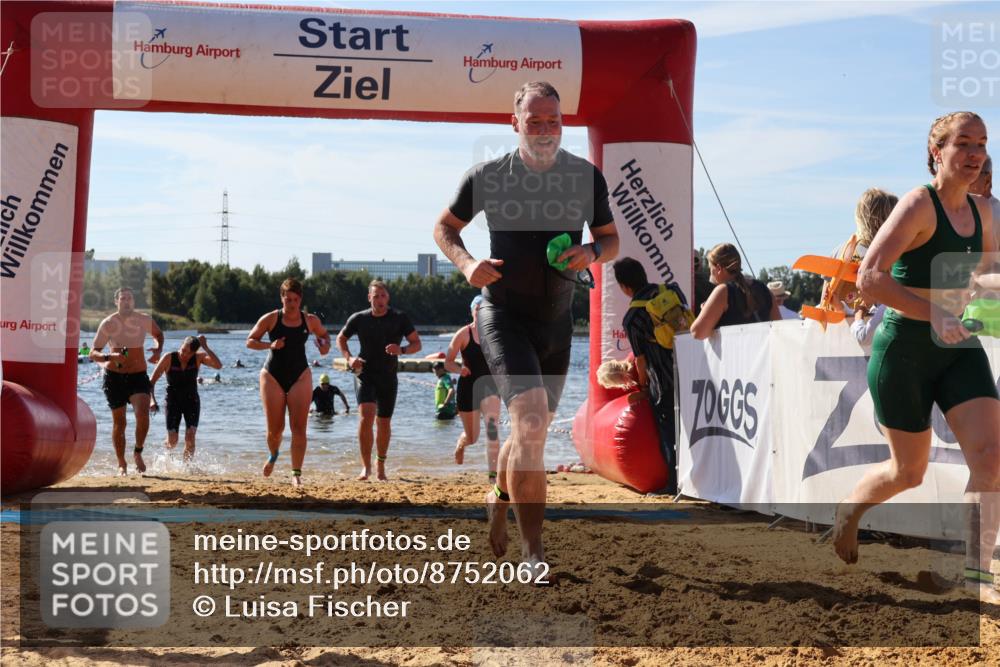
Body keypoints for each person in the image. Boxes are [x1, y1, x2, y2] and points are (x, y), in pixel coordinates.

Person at [433, 80, 619, 564]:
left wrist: (592, 252)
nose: (543, 130)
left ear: (563, 123)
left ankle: (498, 498)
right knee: (532, 417)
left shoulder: (585, 178)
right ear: (514, 124)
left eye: (552, 121)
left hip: (556, 323)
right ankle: (533, 552)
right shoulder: (489, 176)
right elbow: (445, 228)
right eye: (533, 121)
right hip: (502, 315)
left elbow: (610, 240)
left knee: (528, 433)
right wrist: (467, 264)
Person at [831, 112, 999, 603]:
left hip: (958, 348)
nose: (974, 154)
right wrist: (933, 314)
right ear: (937, 152)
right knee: (908, 472)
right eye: (963, 143)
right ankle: (849, 510)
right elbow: (870, 278)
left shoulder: (985, 212)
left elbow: (983, 276)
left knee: (990, 458)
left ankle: (978, 575)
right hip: (904, 348)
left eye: (982, 144)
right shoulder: (917, 206)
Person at [612, 257, 689, 495]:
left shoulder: (632, 318)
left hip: (664, 380)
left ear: (625, 287)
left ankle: (675, 484)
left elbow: (641, 360)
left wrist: (643, 387)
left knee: (669, 432)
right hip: (694, 370)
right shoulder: (673, 290)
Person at [247, 278, 331, 487]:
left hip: (300, 375)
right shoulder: (271, 318)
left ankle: (296, 473)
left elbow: (325, 338)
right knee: (275, 431)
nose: (291, 304)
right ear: (282, 298)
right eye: (288, 299)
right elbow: (250, 341)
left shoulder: (310, 320)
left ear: (300, 299)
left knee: (298, 428)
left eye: (295, 299)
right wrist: (270, 344)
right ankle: (274, 455)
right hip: (272, 376)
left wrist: (324, 347)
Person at [337, 280, 422, 481]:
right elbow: (341, 338)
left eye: (383, 296)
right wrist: (349, 358)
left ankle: (380, 465)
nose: (380, 300)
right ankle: (366, 468)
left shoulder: (400, 318)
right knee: (366, 417)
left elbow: (417, 344)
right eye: (376, 296)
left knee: (383, 423)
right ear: (369, 298)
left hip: (388, 376)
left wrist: (401, 350)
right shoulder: (359, 319)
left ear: (388, 298)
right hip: (364, 374)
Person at [89, 287, 164, 475]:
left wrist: (157, 349)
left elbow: (158, 335)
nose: (126, 301)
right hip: (114, 378)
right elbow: (93, 353)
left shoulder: (144, 320)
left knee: (142, 415)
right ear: (116, 302)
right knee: (119, 423)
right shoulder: (108, 324)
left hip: (138, 375)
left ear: (134, 302)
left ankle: (138, 451)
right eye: (123, 298)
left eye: (129, 298)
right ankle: (122, 463)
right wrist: (109, 356)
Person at [444, 295, 501, 479]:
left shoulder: (495, 333)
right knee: (473, 437)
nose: (481, 312)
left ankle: (493, 475)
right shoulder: (463, 334)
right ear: (472, 311)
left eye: (485, 309)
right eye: (478, 309)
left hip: (490, 387)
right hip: (468, 388)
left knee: (492, 429)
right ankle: (462, 443)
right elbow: (448, 363)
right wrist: (460, 369)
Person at [148, 335, 222, 461]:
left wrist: (205, 347)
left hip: (191, 401)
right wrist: (152, 400)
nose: (183, 353)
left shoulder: (198, 358)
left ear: (194, 352)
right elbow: (151, 382)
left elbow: (218, 365)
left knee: (190, 436)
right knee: (173, 440)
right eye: (182, 349)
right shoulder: (169, 357)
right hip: (172, 401)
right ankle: (165, 460)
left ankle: (187, 466)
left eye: (187, 352)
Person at [690, 243, 779, 338]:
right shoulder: (763, 288)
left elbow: (697, 333)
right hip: (762, 351)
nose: (710, 275)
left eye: (710, 269)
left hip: (735, 352)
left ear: (718, 268)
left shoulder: (723, 291)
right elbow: (780, 329)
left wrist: (707, 310)